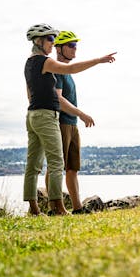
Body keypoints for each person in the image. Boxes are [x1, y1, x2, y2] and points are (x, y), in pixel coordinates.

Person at [24, 23, 116, 216]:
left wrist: (37, 107)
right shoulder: (45, 61)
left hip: (33, 114)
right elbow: (71, 69)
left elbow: (29, 93)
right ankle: (57, 208)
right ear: (39, 41)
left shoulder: (29, 63)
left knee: (33, 165)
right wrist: (98, 60)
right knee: (57, 163)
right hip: (47, 115)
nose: (52, 42)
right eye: (50, 39)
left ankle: (34, 209)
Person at [45, 31, 95, 214]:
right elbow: (59, 99)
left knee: (72, 168)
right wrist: (81, 114)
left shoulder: (68, 73)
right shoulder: (57, 70)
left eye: (76, 45)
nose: (75, 49)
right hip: (61, 123)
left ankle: (77, 207)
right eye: (71, 45)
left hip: (72, 124)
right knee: (55, 166)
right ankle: (54, 208)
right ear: (59, 48)